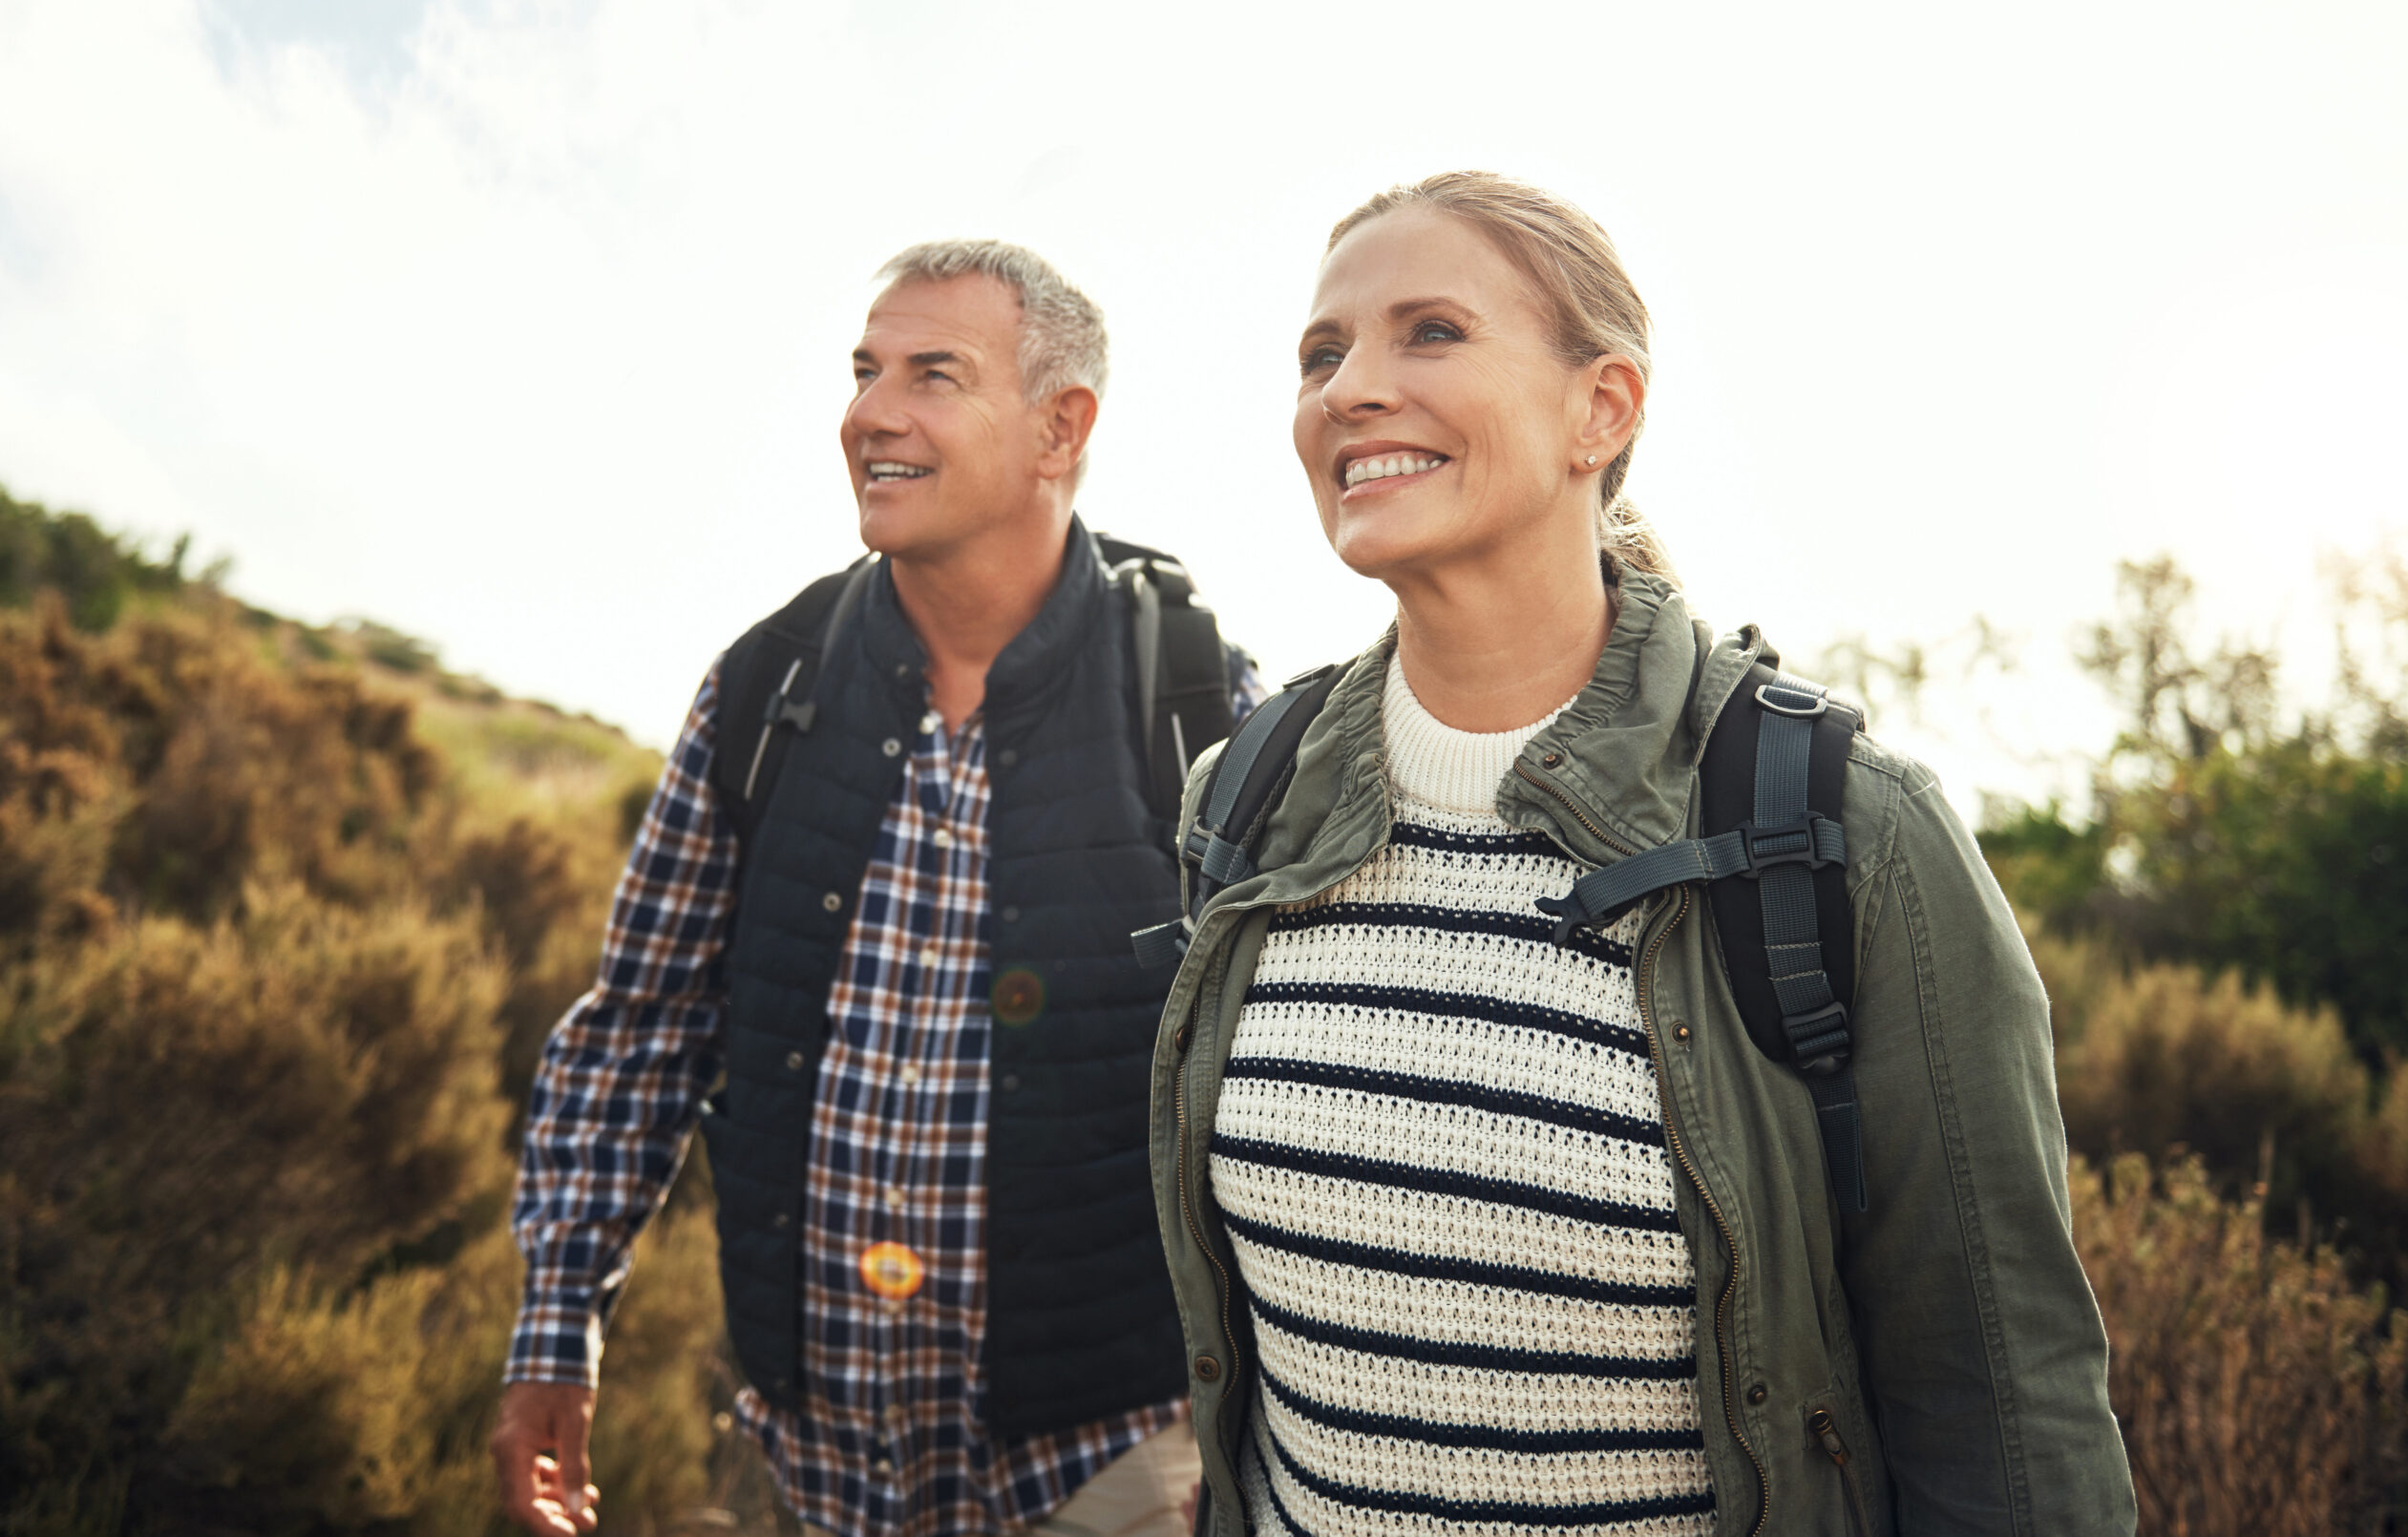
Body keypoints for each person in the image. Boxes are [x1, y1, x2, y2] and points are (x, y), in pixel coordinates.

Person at [1149, 175, 2136, 1536]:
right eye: (1323, 354)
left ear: (1600, 408)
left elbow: (2010, 1421)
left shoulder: (1847, 831)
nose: (1349, 389)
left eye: (1429, 331)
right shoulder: (1244, 797)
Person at [495, 241, 1260, 1537]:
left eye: (934, 374)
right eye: (864, 371)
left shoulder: (1196, 700)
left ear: (1059, 427)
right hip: (814, 1470)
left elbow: (1273, 1085)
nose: (869, 412)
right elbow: (637, 1032)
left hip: (1114, 1469)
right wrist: (555, 1327)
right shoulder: (764, 689)